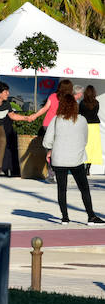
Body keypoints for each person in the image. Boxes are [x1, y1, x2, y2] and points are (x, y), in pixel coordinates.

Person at [42, 86, 105, 225]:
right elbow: (85, 140)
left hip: (59, 160)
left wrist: (51, 149)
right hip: (77, 159)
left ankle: (65, 218)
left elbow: (47, 141)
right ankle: (91, 216)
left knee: (62, 189)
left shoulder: (56, 120)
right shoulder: (82, 120)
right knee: (84, 188)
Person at [26, 79, 72, 183]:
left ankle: (51, 175)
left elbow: (44, 109)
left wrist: (34, 116)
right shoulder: (69, 99)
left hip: (48, 125)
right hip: (61, 126)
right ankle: (58, 173)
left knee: (50, 150)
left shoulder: (53, 96)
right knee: (59, 150)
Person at [79, 85, 102, 173]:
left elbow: (80, 114)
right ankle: (88, 168)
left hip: (85, 124)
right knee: (93, 147)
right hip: (94, 125)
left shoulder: (82, 103)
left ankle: (83, 165)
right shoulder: (96, 103)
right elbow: (96, 112)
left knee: (84, 145)